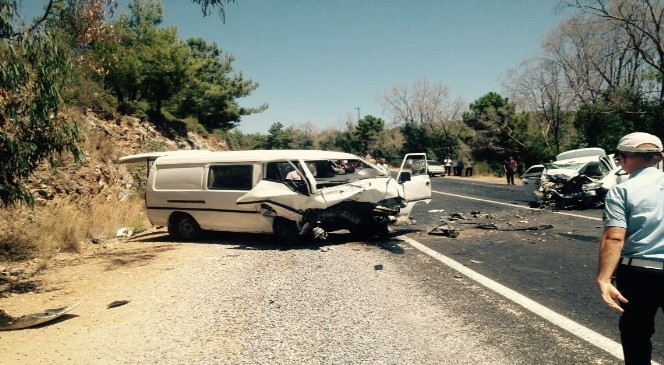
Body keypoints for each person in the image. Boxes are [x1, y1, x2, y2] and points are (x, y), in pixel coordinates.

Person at [597, 132, 664, 364]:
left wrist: (604, 280)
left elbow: (614, 238)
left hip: (639, 274)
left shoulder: (621, 191)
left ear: (623, 159)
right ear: (660, 157)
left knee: (637, 336)